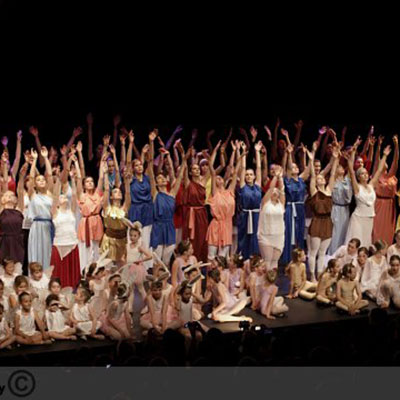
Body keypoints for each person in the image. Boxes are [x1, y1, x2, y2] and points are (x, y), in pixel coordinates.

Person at [345, 140, 391, 248]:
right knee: (355, 243)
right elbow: (351, 171)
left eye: (366, 173)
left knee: (365, 244)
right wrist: (353, 151)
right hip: (358, 218)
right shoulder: (357, 187)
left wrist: (384, 155)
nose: (365, 175)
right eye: (362, 174)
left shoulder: (371, 185)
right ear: (358, 177)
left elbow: (379, 170)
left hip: (369, 218)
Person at [149, 141, 187, 266]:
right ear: (156, 182)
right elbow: (150, 172)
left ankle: (167, 277)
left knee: (166, 260)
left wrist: (183, 155)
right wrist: (151, 143)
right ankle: (156, 277)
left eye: (163, 178)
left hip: (170, 227)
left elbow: (180, 176)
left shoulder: (172, 194)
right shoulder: (155, 193)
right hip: (158, 227)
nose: (162, 179)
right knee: (157, 260)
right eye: (159, 178)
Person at [307, 145, 339, 281]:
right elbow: (312, 177)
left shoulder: (329, 191)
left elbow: (333, 174)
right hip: (317, 222)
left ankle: (320, 275)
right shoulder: (314, 192)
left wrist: (335, 159)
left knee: (322, 252)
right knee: (313, 252)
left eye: (322, 178)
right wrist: (311, 160)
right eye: (318, 178)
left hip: (327, 222)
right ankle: (312, 276)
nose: (320, 179)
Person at [206, 141, 242, 260]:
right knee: (211, 256)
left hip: (227, 225)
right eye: (216, 178)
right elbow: (212, 172)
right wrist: (215, 152)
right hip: (216, 225)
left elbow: (235, 172)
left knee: (222, 258)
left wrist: (237, 153)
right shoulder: (214, 193)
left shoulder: (230, 191)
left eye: (220, 177)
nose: (218, 179)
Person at [282, 143, 312, 263]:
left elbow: (308, 170)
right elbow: (289, 167)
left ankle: (299, 256)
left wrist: (310, 157)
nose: (295, 168)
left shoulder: (301, 179)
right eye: (293, 167)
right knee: (290, 231)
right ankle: (289, 257)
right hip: (290, 207)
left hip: (300, 208)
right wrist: (289, 154)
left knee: (299, 232)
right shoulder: (288, 179)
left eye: (296, 167)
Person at [50, 170, 81, 288]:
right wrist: (58, 180)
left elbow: (74, 195)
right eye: (61, 197)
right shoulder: (55, 212)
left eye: (64, 196)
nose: (64, 197)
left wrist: (72, 179)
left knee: (72, 273)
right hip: (59, 244)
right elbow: (55, 195)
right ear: (57, 202)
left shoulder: (71, 211)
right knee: (60, 273)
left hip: (72, 243)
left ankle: (72, 290)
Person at [127, 131, 155, 255]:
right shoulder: (131, 179)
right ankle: (133, 259)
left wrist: (151, 142)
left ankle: (146, 262)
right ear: (133, 168)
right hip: (135, 209)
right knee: (134, 237)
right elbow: (128, 162)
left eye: (140, 165)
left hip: (147, 209)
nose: (139, 167)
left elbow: (151, 160)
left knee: (146, 237)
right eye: (136, 165)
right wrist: (130, 143)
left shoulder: (147, 177)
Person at [27, 148, 54, 270]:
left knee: (48, 252)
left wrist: (46, 158)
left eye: (43, 179)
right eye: (38, 180)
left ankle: (47, 276)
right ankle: (35, 276)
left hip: (48, 226)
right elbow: (31, 177)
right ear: (35, 184)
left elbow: (50, 175)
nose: (41, 181)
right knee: (36, 251)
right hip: (36, 227)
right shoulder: (33, 194)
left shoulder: (50, 194)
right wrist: (35, 160)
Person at [76, 160, 105, 271]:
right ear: (84, 185)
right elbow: (79, 179)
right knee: (86, 248)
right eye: (87, 182)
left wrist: (102, 164)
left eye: (92, 181)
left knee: (96, 247)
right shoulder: (82, 195)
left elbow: (101, 179)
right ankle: (85, 271)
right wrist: (76, 163)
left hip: (97, 222)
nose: (90, 183)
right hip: (86, 224)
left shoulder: (97, 194)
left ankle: (96, 270)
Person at [101, 166, 132, 265]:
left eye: (119, 192)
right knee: (108, 266)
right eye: (115, 192)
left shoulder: (124, 208)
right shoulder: (107, 208)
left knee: (122, 265)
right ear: (111, 196)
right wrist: (106, 174)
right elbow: (106, 189)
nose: (118, 193)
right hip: (109, 240)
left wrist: (127, 182)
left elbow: (128, 194)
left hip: (122, 240)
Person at [237, 141, 263, 260]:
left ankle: (255, 259)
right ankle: (243, 258)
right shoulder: (243, 186)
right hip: (245, 216)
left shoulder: (258, 185)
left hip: (256, 216)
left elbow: (259, 168)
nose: (248, 176)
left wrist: (257, 151)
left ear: (254, 176)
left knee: (255, 238)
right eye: (247, 175)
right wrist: (243, 153)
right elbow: (242, 168)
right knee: (244, 238)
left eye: (251, 174)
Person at [257, 166, 285, 270]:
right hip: (266, 235)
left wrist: (280, 178)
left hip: (278, 235)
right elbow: (270, 188)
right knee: (267, 261)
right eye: (273, 191)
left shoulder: (281, 205)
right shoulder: (265, 203)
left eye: (276, 192)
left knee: (275, 261)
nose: (275, 192)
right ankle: (265, 279)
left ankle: (273, 279)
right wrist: (275, 177)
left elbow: (282, 190)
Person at [372, 135, 398, 245]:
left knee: (387, 230)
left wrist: (396, 146)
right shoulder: (377, 176)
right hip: (379, 204)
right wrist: (378, 146)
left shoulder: (391, 176)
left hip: (389, 206)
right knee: (376, 228)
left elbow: (395, 161)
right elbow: (376, 159)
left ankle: (385, 249)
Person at [0, 162, 27, 264]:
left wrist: (21, 177)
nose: (9, 197)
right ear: (2, 199)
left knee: (17, 266)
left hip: (17, 241)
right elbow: (5, 184)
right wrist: (4, 166)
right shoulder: (1, 209)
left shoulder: (19, 209)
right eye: (7, 196)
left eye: (11, 195)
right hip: (4, 242)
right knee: (4, 266)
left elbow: (20, 191)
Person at [328, 153, 353, 255]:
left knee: (344, 231)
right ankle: (332, 253)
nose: (341, 168)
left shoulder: (347, 180)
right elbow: (332, 172)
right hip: (336, 208)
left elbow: (351, 169)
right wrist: (336, 158)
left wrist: (351, 156)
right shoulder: (333, 180)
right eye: (339, 167)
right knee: (335, 232)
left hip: (345, 209)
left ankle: (341, 253)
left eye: (342, 167)